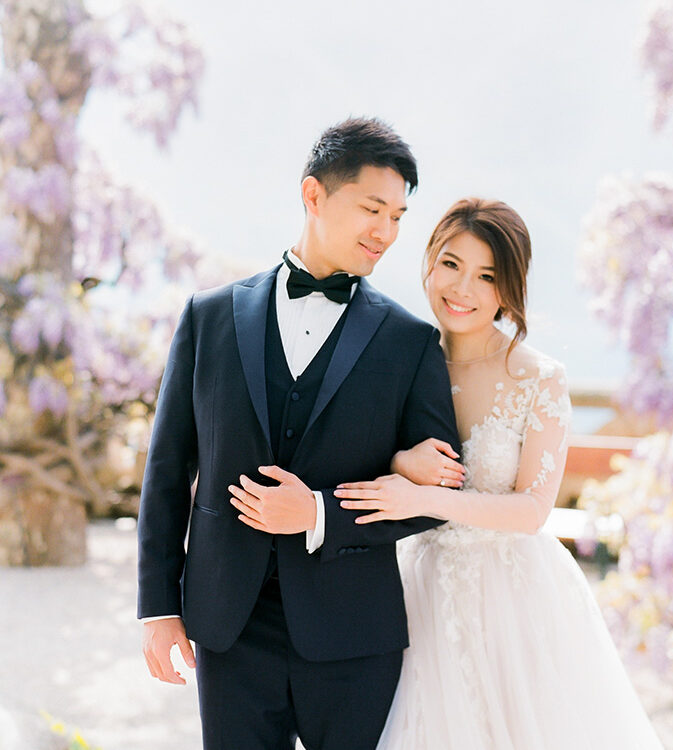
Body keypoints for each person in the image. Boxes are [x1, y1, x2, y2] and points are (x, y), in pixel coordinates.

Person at [137, 118, 461, 750]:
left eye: (398, 216)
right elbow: (168, 470)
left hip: (353, 636)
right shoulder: (208, 317)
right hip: (229, 626)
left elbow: (438, 499)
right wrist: (158, 607)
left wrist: (318, 511)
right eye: (373, 209)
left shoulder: (410, 342)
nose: (386, 233)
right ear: (313, 196)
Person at [335, 198, 665, 749]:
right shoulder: (395, 360)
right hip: (415, 591)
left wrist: (424, 499)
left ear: (509, 286)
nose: (462, 289)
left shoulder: (538, 377)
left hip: (512, 597)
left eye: (486, 276)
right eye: (451, 264)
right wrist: (398, 464)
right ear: (428, 263)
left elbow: (532, 510)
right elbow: (354, 456)